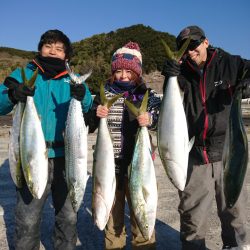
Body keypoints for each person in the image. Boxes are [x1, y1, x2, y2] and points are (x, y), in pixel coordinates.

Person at [0, 29, 93, 249]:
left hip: (66, 157)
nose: (52, 51)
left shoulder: (72, 81)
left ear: (66, 56)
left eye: (59, 48)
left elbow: (88, 106)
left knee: (69, 218)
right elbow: (0, 104)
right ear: (40, 49)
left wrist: (84, 95)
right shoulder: (23, 74)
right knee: (28, 218)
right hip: (32, 155)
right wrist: (13, 94)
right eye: (48, 46)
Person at [162, 25, 250, 250]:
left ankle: (236, 247)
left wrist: (246, 83)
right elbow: (167, 113)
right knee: (193, 216)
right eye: (184, 48)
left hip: (228, 152)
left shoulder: (229, 63)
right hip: (194, 154)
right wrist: (169, 76)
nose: (190, 52)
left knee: (235, 213)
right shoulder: (179, 73)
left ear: (206, 42)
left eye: (193, 45)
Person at [85, 41, 161, 250]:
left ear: (137, 72)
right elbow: (89, 123)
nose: (124, 76)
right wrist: (95, 113)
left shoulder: (148, 96)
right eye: (118, 71)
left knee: (141, 216)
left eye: (129, 71)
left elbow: (161, 120)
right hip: (110, 169)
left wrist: (150, 120)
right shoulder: (104, 96)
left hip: (140, 168)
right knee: (113, 222)